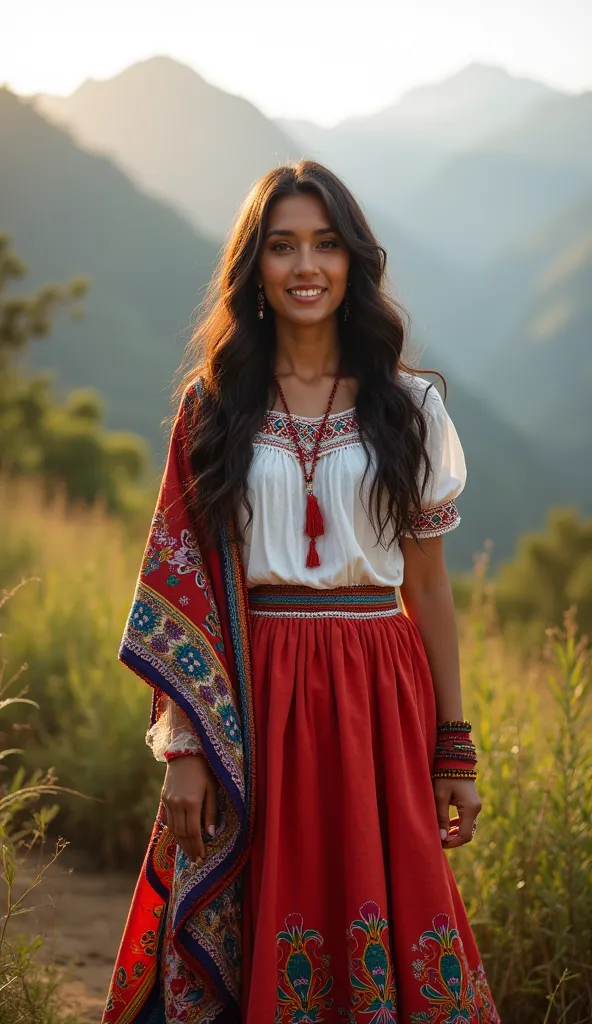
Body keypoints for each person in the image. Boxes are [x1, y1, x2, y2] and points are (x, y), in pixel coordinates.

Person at [102, 160, 500, 1024]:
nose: (306, 265)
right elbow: (185, 589)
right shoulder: (213, 410)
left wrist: (453, 746)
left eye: (326, 244)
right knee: (266, 907)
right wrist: (185, 748)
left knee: (386, 894)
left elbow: (428, 590)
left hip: (378, 692)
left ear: (355, 261)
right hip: (257, 691)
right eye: (282, 246)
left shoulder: (410, 407)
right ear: (256, 268)